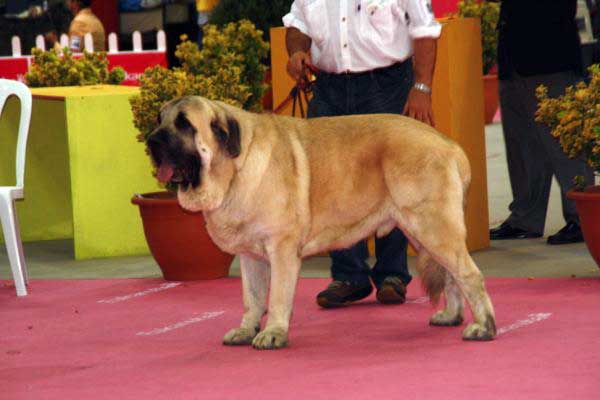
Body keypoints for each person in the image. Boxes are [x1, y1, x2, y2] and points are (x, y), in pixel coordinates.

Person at [283, 0, 441, 308]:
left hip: (386, 85)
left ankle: (392, 274)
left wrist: (422, 87)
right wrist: (297, 52)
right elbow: (297, 24)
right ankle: (348, 276)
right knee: (329, 185)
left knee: (392, 180)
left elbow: (425, 28)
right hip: (328, 87)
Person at [490, 0, 595, 244]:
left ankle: (581, 217)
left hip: (550, 52)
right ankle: (524, 217)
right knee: (521, 143)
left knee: (564, 140)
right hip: (512, 53)